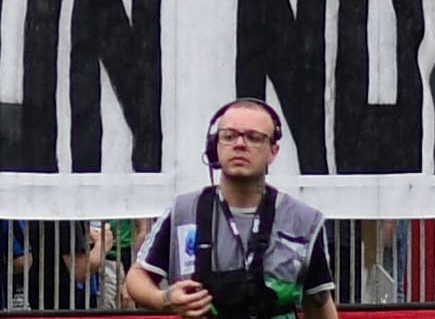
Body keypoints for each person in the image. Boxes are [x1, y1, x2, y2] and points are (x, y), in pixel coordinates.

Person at [124, 98, 337, 319]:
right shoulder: (184, 211)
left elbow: (319, 303)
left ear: (273, 151)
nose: (240, 144)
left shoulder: (303, 220)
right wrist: (165, 299)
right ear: (214, 146)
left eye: (254, 137)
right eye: (229, 136)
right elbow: (137, 277)